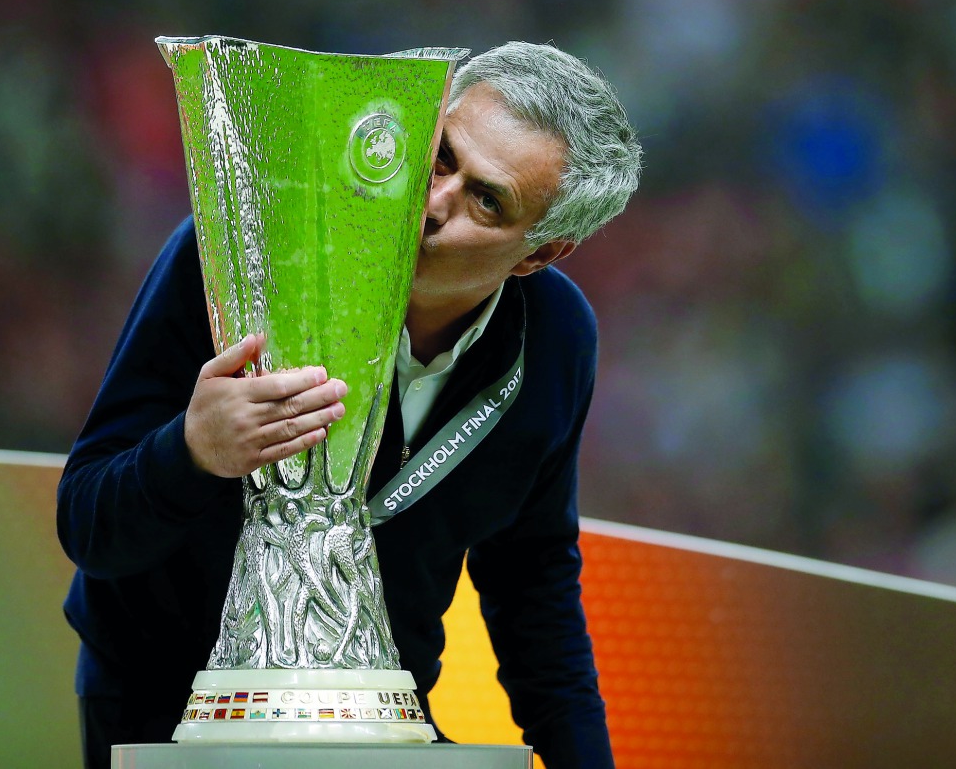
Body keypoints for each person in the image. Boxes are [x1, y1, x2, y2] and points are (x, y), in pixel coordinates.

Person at [57, 40, 642, 769]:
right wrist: (191, 453)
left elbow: (533, 583)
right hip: (167, 713)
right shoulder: (245, 253)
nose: (432, 204)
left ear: (538, 254)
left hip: (380, 721)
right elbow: (87, 524)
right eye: (440, 158)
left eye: (486, 200)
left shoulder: (556, 338)